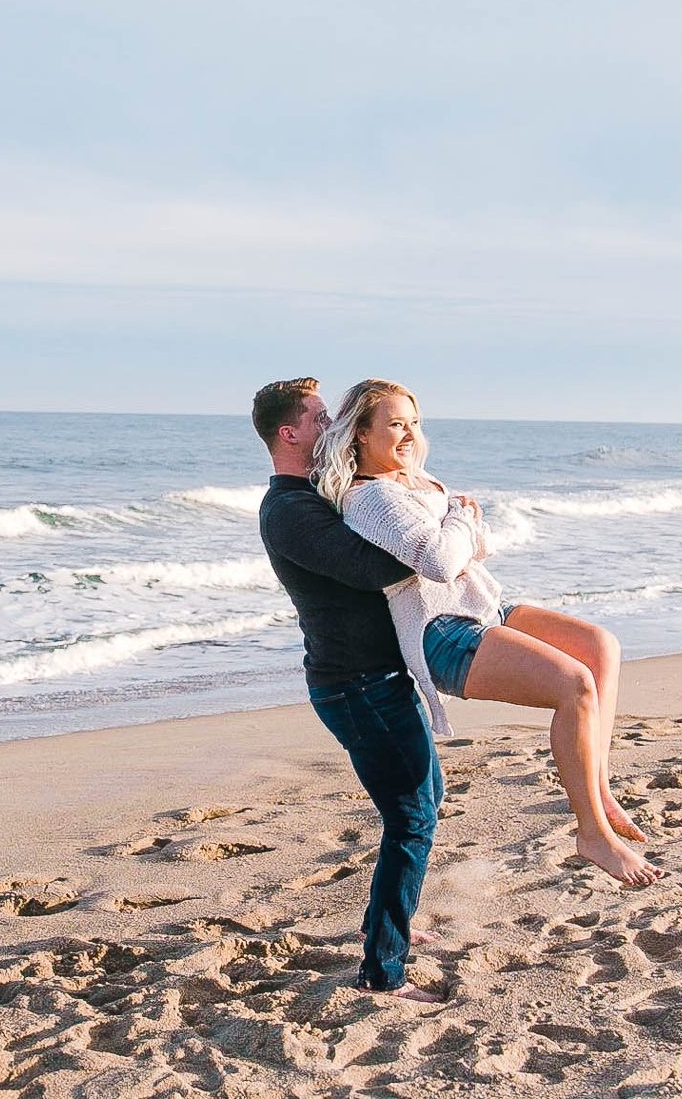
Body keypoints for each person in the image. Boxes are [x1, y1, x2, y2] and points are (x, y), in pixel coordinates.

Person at [318, 379, 664, 888]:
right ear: (360, 436)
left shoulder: (417, 482)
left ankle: (599, 787)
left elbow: (479, 549)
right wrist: (459, 517)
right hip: (442, 629)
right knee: (574, 686)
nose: (410, 433)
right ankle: (592, 832)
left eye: (414, 421)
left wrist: (461, 532)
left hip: (482, 605)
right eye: (395, 424)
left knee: (600, 646)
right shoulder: (370, 499)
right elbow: (439, 562)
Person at [253, 377, 444, 1002]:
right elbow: (384, 566)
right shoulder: (289, 510)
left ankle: (392, 934)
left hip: (379, 677)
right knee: (411, 817)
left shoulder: (321, 493)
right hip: (356, 686)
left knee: (423, 807)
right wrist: (449, 528)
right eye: (318, 418)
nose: (330, 425)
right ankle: (383, 974)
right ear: (289, 433)